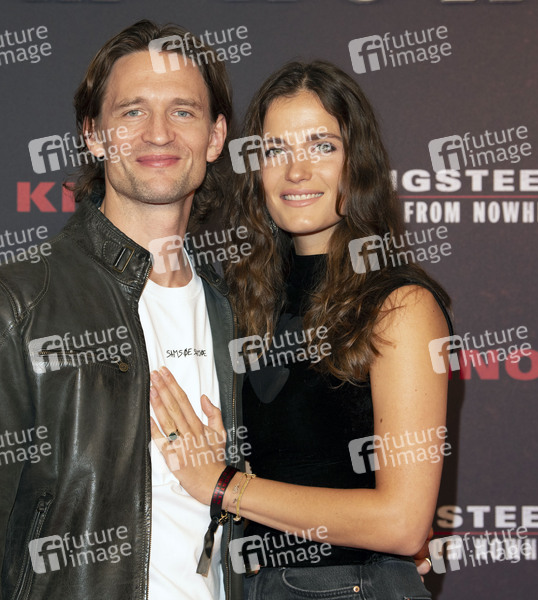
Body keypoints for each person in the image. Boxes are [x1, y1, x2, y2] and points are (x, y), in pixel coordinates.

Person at [0, 20, 247, 600]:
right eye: (133, 111)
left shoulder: (241, 310)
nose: (159, 133)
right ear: (94, 135)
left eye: (183, 111)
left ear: (215, 137)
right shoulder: (16, 304)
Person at [149, 61, 452, 599]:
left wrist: (221, 484)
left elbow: (403, 522)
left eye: (322, 146)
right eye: (275, 150)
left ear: (357, 163)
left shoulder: (400, 305)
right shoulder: (247, 300)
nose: (296, 171)